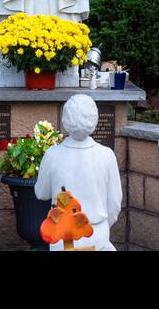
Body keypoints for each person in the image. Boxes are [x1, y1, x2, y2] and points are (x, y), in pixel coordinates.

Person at [35, 95, 122, 250]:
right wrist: (101, 226)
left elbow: (41, 193)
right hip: (97, 233)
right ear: (95, 120)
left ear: (64, 121)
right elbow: (114, 204)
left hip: (61, 236)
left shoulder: (52, 154)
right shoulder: (106, 155)